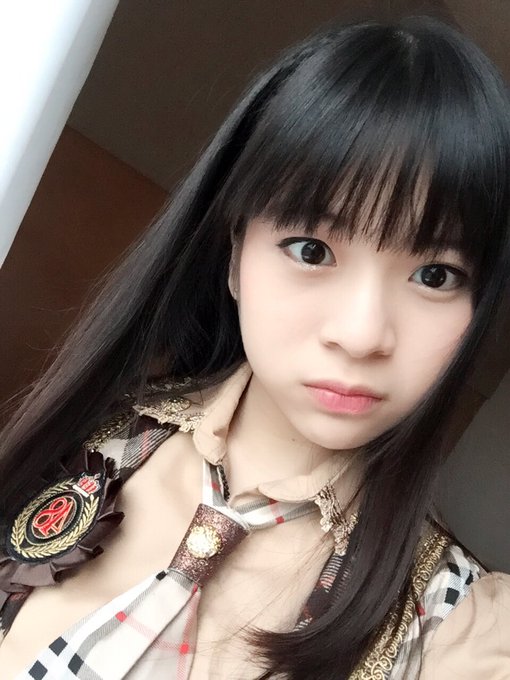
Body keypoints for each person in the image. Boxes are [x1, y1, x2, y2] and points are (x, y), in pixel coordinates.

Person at [0, 12, 509, 680]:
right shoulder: (90, 434)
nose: (360, 334)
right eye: (311, 250)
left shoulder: (462, 631)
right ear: (236, 256)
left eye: (435, 276)